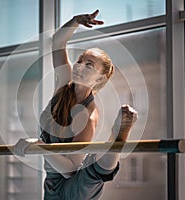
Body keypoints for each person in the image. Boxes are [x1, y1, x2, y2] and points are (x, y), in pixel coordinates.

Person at [39, 10, 138, 200]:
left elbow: (69, 170)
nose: (79, 66)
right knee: (93, 170)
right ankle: (114, 141)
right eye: (80, 61)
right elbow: (57, 43)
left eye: (89, 65)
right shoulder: (63, 84)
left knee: (93, 173)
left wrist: (40, 147)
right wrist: (75, 21)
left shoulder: (89, 114)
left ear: (100, 78)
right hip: (51, 184)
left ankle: (117, 137)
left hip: (73, 184)